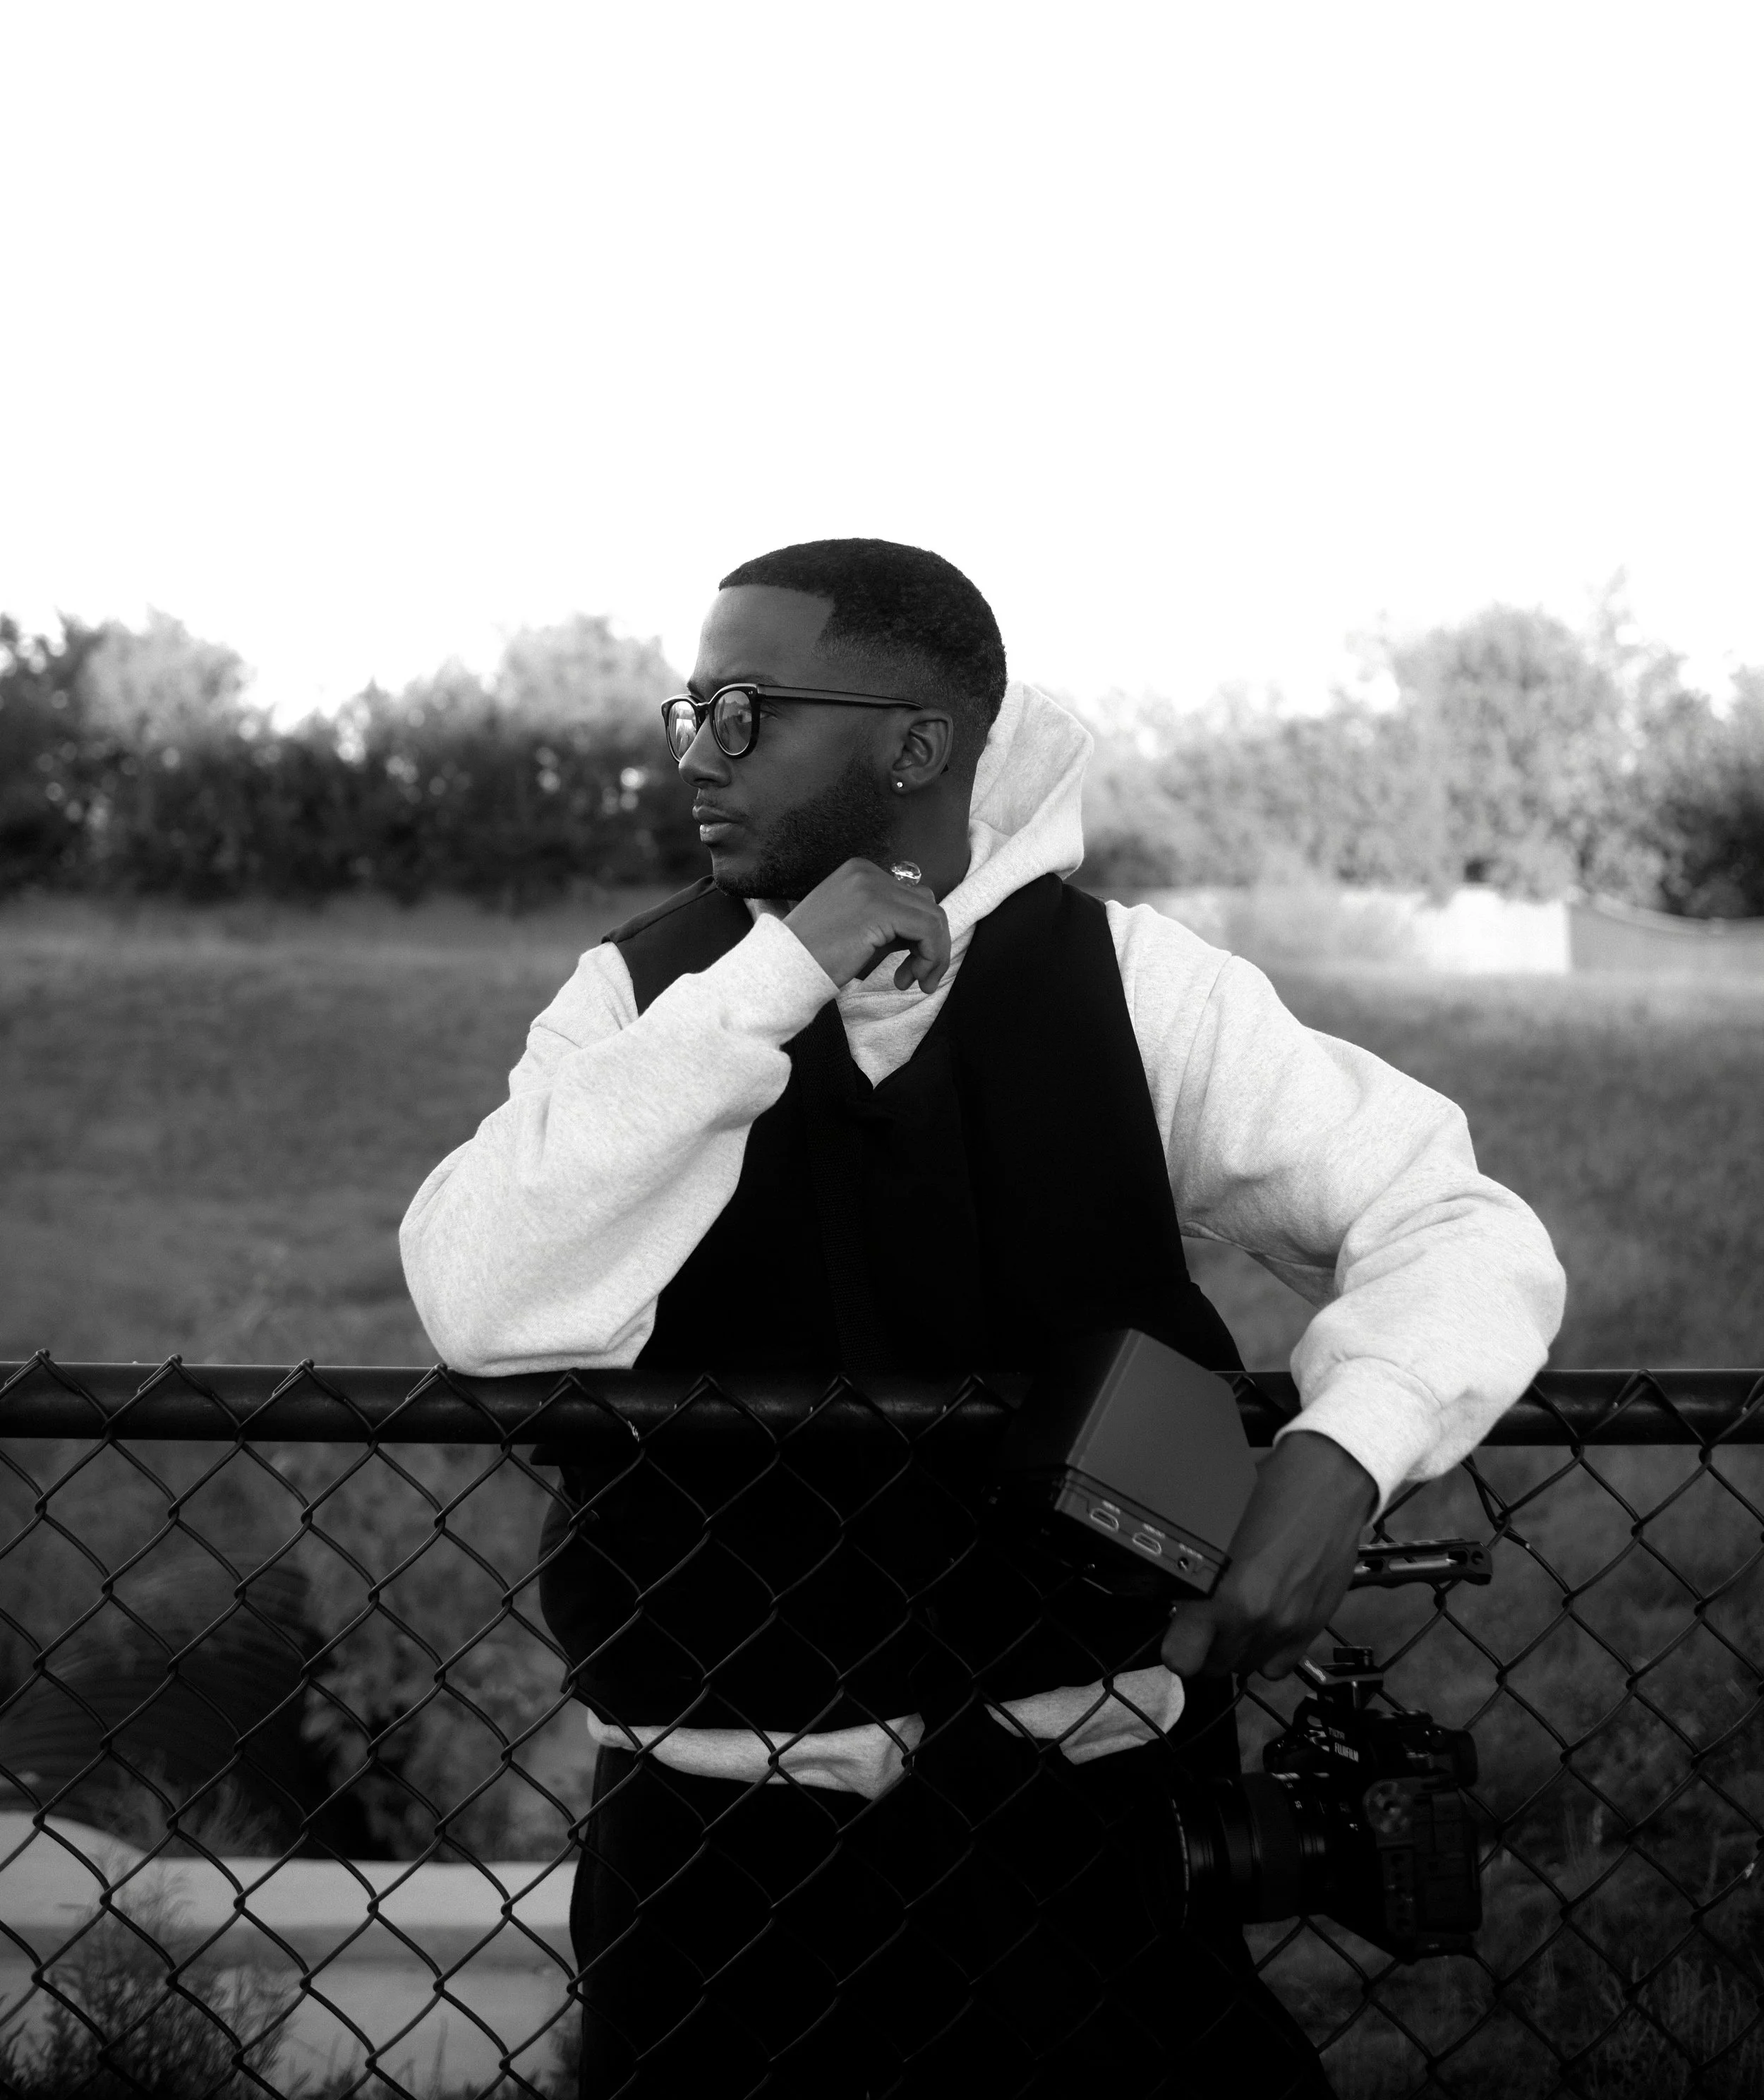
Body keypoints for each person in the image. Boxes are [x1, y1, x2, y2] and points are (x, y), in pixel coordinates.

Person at [399, 539, 1565, 2097]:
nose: (694, 754)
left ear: (915, 743)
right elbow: (476, 1296)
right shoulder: (637, 999)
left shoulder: (1140, 984)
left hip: (1089, 1843)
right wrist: (773, 982)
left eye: (742, 712)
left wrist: (1347, 1452)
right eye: (689, 711)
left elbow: (1452, 1224)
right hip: (717, 1871)